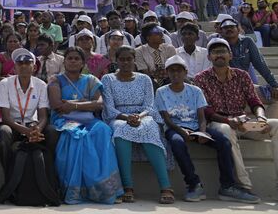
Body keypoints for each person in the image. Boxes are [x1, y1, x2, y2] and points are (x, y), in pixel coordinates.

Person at [156, 55, 259, 203]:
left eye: (179, 70)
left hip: (197, 126)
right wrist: (181, 131)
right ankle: (194, 184)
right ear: (167, 72)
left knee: (223, 141)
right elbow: (167, 119)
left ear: (185, 72)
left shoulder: (195, 90)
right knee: (177, 143)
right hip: (175, 128)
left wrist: (203, 131)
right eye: (172, 71)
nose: (176, 74)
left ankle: (227, 186)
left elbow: (202, 116)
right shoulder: (161, 92)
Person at [194, 38, 278, 198]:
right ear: (209, 57)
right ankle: (243, 186)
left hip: (243, 123)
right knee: (226, 130)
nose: (219, 55)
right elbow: (206, 110)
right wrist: (228, 121)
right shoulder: (201, 79)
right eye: (215, 52)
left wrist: (261, 118)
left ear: (230, 55)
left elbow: (254, 101)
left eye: (223, 51)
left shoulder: (242, 75)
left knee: (277, 125)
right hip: (218, 123)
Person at [48, 47, 123, 204]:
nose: (73, 61)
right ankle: (75, 190)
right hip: (64, 121)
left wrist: (73, 105)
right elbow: (57, 105)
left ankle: (105, 189)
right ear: (64, 61)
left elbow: (99, 104)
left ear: (83, 62)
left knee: (103, 130)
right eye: (70, 58)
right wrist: (85, 103)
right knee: (76, 136)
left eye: (77, 58)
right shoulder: (56, 80)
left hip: (89, 120)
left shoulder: (91, 80)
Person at [101, 46, 173, 204]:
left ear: (134, 60)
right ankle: (128, 187)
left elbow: (149, 105)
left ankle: (165, 187)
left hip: (143, 116)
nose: (126, 62)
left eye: (129, 59)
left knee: (150, 128)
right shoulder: (108, 79)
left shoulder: (145, 79)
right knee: (120, 131)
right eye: (122, 59)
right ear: (116, 60)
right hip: (119, 116)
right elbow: (109, 107)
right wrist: (127, 117)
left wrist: (138, 116)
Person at [0, 48, 55, 183]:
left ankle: (50, 179)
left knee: (52, 132)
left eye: (27, 63)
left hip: (32, 126)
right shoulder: (5, 84)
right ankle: (10, 179)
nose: (23, 66)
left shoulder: (41, 85)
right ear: (14, 67)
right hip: (12, 125)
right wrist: (26, 132)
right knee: (4, 133)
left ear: (34, 67)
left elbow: (43, 116)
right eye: (19, 63)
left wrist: (37, 130)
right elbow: (5, 117)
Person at [220, 18, 278, 98]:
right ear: (221, 31)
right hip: (223, 87)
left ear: (238, 29)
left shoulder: (247, 41)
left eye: (232, 27)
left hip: (244, 85)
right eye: (226, 28)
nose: (229, 29)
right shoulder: (217, 44)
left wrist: (274, 85)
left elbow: (260, 64)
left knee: (274, 95)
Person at [135, 23, 177, 89]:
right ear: (148, 38)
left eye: (161, 33)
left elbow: (173, 69)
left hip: (169, 80)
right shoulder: (139, 51)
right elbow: (145, 73)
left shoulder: (169, 48)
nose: (162, 35)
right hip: (150, 82)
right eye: (157, 33)